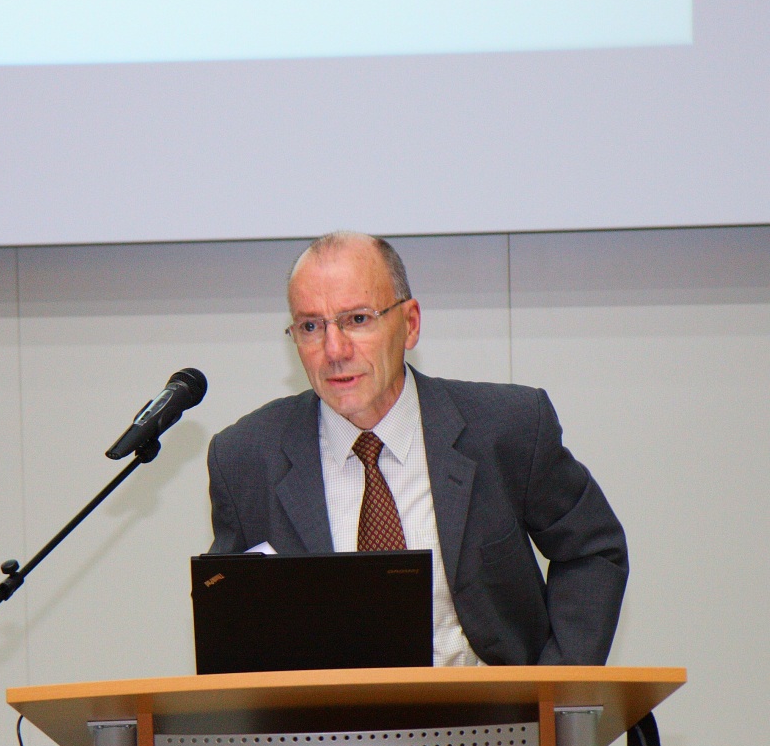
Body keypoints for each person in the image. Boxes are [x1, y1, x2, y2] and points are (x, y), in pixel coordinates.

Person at [207, 232, 628, 666]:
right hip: (328, 712)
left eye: (357, 319)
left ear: (410, 324)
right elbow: (231, 623)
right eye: (311, 326)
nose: (334, 350)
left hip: (487, 705)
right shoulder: (245, 458)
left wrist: (554, 686)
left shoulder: (507, 426)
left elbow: (592, 549)